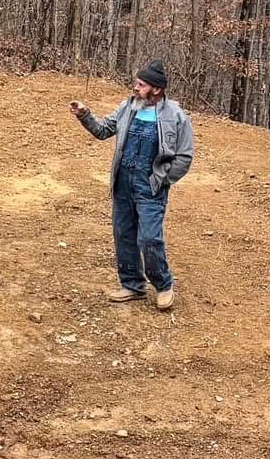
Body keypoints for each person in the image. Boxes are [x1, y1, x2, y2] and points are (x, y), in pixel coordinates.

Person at [70, 58, 194, 311]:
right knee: (124, 234)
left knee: (149, 238)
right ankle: (132, 285)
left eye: (141, 84)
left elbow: (184, 156)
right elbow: (104, 130)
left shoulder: (176, 116)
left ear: (156, 89)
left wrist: (163, 179)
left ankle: (163, 285)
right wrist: (85, 115)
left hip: (150, 187)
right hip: (123, 182)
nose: (135, 87)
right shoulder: (128, 107)